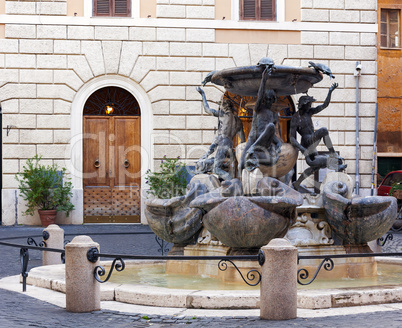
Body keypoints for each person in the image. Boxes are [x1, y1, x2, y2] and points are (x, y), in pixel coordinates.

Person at [290, 82, 346, 191]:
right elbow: (292, 138)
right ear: (303, 104)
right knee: (323, 131)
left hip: (311, 147)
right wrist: (302, 149)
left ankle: (297, 183)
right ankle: (333, 156)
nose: (311, 106)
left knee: (314, 167)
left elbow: (324, 105)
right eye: (309, 104)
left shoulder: (308, 112)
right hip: (306, 141)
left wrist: (330, 92)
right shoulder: (295, 118)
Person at [238, 66, 281, 174]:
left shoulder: (273, 115)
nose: (268, 101)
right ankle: (240, 185)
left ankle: (254, 148)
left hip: (263, 143)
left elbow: (271, 133)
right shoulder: (258, 109)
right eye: (267, 99)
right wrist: (263, 80)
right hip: (252, 139)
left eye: (271, 99)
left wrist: (278, 143)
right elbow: (259, 96)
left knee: (271, 126)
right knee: (241, 164)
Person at [196, 87, 245, 181]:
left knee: (216, 169)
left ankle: (231, 183)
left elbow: (207, 109)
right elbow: (242, 141)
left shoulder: (222, 114)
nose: (220, 107)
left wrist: (203, 95)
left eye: (221, 105)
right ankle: (226, 183)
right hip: (230, 145)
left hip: (222, 143)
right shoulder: (238, 121)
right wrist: (235, 153)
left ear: (224, 106)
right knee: (222, 166)